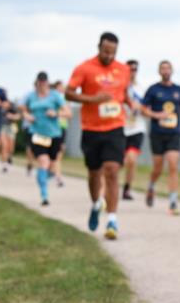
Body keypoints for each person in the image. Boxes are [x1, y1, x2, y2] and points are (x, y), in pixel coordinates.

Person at [66, 32, 130, 239]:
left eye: (113, 53)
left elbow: (124, 94)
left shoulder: (123, 69)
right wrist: (93, 99)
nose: (109, 56)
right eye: (105, 52)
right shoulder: (84, 68)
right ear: (98, 47)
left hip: (115, 127)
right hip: (92, 129)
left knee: (112, 170)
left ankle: (112, 220)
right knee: (94, 174)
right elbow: (68, 93)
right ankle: (96, 204)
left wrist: (132, 104)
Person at [141, 60, 180, 215]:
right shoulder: (153, 89)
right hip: (157, 133)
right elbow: (143, 109)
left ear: (172, 70)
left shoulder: (178, 90)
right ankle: (151, 186)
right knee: (158, 168)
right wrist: (156, 115)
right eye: (163, 68)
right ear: (159, 71)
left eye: (168, 68)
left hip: (174, 133)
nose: (165, 71)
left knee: (173, 165)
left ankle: (173, 202)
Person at [23, 72, 67, 206]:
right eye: (40, 82)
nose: (42, 85)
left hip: (54, 134)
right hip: (37, 133)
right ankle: (44, 195)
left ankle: (42, 176)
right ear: (37, 82)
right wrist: (27, 116)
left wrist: (56, 113)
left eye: (44, 82)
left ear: (47, 82)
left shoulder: (55, 96)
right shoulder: (31, 96)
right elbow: (23, 109)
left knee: (52, 166)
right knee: (43, 162)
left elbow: (68, 112)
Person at [122, 60, 147, 201]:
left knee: (131, 159)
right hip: (120, 127)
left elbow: (147, 108)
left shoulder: (141, 88)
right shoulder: (120, 87)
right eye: (130, 69)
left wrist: (141, 108)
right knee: (117, 162)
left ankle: (127, 188)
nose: (132, 71)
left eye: (135, 69)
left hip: (137, 127)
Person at [52, 80, 72, 187]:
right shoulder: (53, 99)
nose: (63, 88)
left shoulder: (65, 100)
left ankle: (54, 171)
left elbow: (69, 115)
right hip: (52, 129)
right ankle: (58, 176)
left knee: (59, 152)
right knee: (56, 154)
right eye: (61, 86)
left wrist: (60, 114)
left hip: (62, 128)